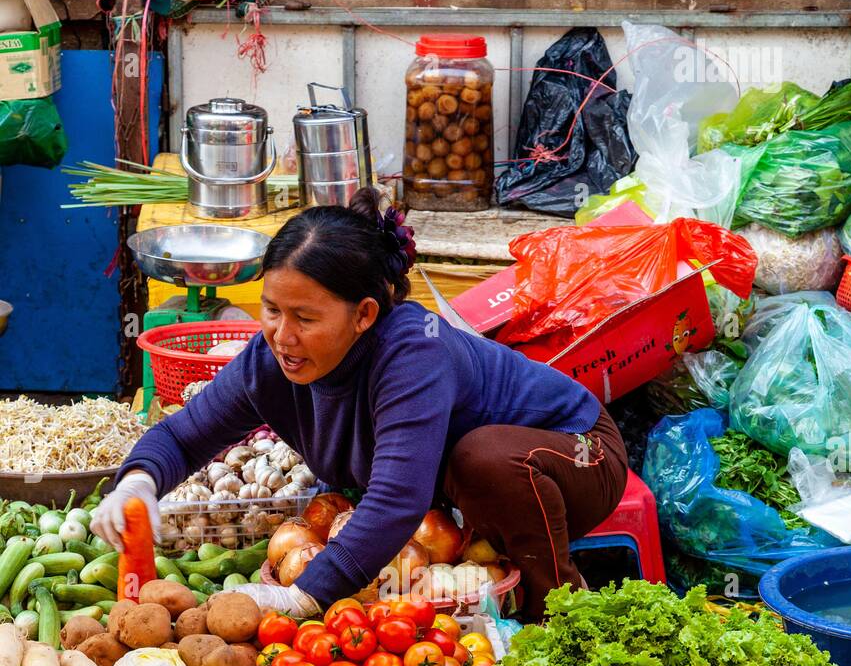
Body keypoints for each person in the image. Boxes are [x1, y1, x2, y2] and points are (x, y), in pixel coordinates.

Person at [93, 189, 627, 622]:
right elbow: (183, 436)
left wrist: (305, 596)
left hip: (576, 456)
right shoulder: (270, 359)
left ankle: (554, 608)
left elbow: (396, 500)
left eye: (305, 317)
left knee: (482, 458)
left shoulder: (413, 350)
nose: (282, 335)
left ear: (365, 315)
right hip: (460, 488)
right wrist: (137, 481)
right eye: (272, 310)